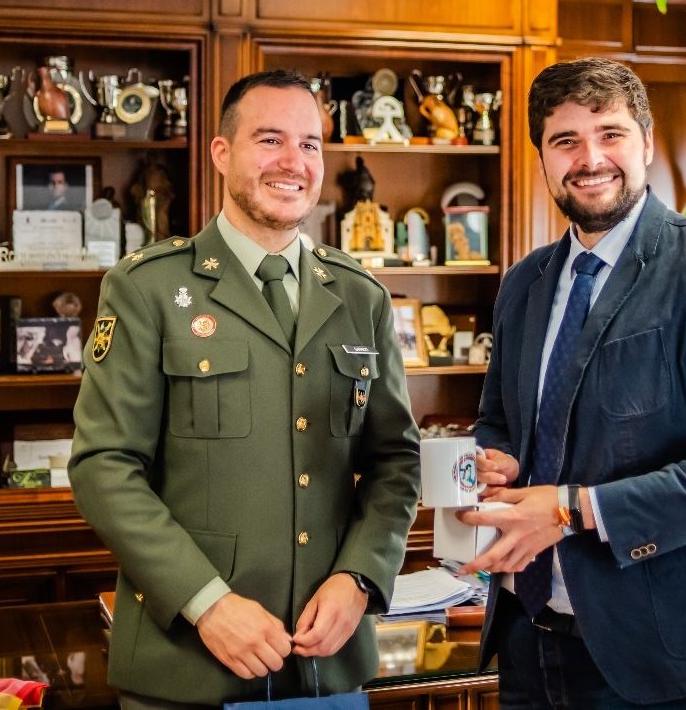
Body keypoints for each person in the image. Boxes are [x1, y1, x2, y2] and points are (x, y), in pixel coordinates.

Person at [70, 69, 422, 708]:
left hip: (327, 664)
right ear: (222, 153)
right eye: (270, 140)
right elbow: (104, 467)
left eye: (311, 144)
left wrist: (360, 578)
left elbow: (395, 462)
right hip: (186, 668)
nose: (295, 162)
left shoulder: (361, 295)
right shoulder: (146, 288)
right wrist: (207, 604)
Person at [458, 58, 686, 708]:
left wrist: (571, 508)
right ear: (542, 157)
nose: (590, 158)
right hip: (532, 635)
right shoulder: (524, 284)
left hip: (676, 648)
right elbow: (500, 421)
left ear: (645, 140)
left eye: (610, 134)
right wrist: (498, 462)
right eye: (566, 141)